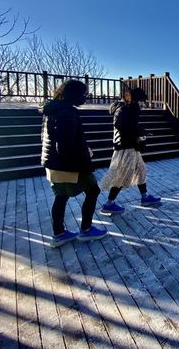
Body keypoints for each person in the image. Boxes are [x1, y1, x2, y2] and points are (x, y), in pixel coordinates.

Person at [41, 80, 108, 248]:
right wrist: (85, 153)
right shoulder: (68, 113)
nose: (85, 97)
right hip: (68, 164)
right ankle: (86, 229)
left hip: (52, 163)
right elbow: (64, 146)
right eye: (83, 94)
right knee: (93, 191)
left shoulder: (52, 109)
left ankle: (59, 234)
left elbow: (52, 139)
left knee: (61, 196)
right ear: (74, 94)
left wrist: (83, 146)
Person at [99, 88, 161, 214]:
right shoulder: (128, 109)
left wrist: (141, 131)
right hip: (125, 146)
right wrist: (139, 132)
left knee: (141, 169)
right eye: (142, 101)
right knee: (122, 174)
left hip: (127, 145)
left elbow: (127, 125)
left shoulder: (123, 107)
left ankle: (145, 197)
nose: (143, 104)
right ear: (136, 99)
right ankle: (109, 204)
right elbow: (123, 126)